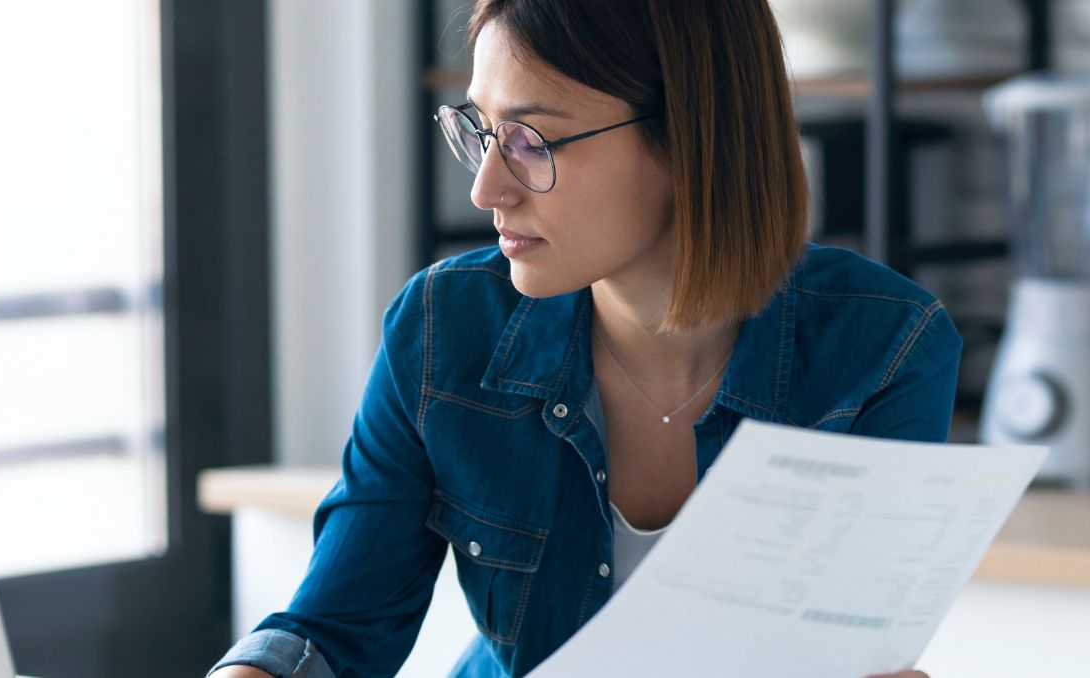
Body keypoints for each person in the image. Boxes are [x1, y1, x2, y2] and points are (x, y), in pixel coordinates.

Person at [210, 1, 960, 676]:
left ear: (691, 135)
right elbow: (330, 637)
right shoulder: (444, 329)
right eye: (479, 131)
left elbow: (848, 656)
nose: (486, 189)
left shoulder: (885, 350)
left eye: (533, 140)